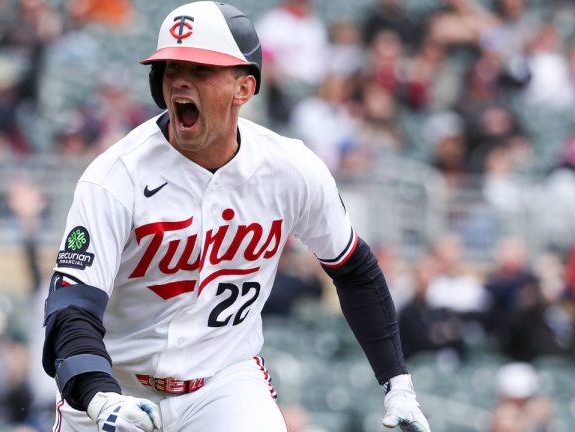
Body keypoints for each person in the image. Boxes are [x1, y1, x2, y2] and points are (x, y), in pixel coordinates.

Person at [41, 2, 430, 432]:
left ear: (244, 88)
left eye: (202, 69)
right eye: (171, 68)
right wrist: (99, 396)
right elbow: (71, 307)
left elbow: (354, 269)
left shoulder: (290, 168)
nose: (181, 81)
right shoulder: (114, 178)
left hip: (223, 384)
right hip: (117, 383)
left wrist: (398, 385)